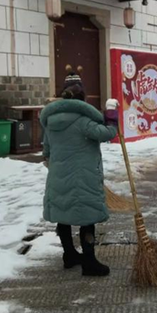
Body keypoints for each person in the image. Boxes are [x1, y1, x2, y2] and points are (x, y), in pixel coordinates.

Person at [40, 72, 118, 277]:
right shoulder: (83, 121)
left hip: (57, 176)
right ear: (82, 95)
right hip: (82, 177)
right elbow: (108, 134)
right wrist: (112, 117)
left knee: (63, 215)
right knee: (87, 217)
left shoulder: (50, 121)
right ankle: (89, 262)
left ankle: (70, 255)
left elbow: (46, 151)